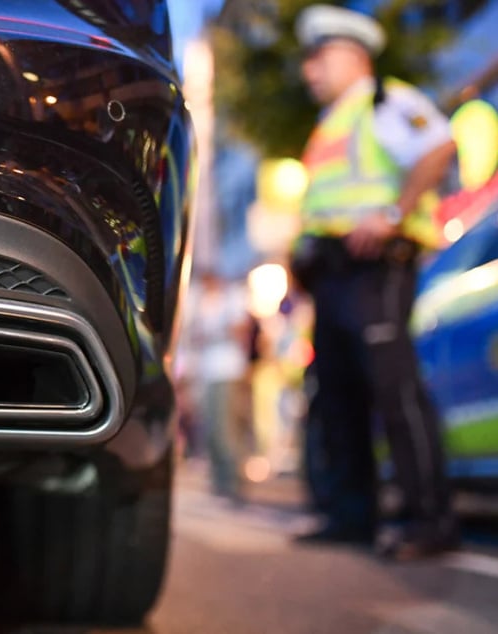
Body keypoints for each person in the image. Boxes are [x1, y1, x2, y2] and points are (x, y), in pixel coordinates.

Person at [289, 5, 458, 559]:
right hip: (334, 276)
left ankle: (429, 520)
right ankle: (352, 517)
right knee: (337, 396)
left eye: (320, 56)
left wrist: (391, 214)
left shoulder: (386, 100)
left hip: (376, 266)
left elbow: (438, 148)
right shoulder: (332, 122)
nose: (309, 68)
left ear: (353, 54)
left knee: (394, 389)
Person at [190, 270, 252, 503]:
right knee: (213, 430)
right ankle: (219, 483)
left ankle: (233, 483)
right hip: (208, 373)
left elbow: (240, 332)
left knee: (228, 430)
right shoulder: (203, 304)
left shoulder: (232, 298)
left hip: (228, 371)